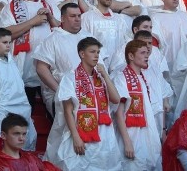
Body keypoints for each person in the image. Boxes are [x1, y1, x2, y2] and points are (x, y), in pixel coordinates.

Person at [46, 37, 122, 171]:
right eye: (92, 52)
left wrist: (105, 75)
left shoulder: (101, 77)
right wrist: (76, 137)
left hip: (104, 134)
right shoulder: (70, 77)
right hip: (80, 132)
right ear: (82, 54)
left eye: (98, 52)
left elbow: (116, 99)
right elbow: (68, 110)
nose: (96, 56)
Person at [111, 39, 161, 171]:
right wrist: (127, 142)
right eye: (143, 52)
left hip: (146, 134)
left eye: (147, 53)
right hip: (131, 136)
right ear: (131, 56)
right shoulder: (121, 78)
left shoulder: (144, 78)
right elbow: (119, 113)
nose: (147, 55)